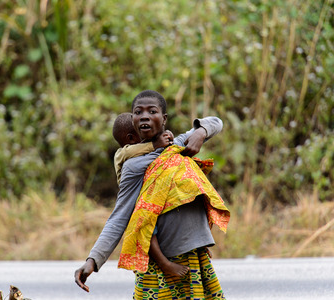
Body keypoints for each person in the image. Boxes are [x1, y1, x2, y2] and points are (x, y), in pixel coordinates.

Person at [75, 90, 229, 299]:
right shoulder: (133, 166)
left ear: (164, 119)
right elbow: (119, 217)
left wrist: (199, 134)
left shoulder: (178, 145)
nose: (145, 116)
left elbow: (216, 122)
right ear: (134, 123)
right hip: (161, 261)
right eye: (138, 112)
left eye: (152, 111)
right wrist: (92, 261)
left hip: (194, 251)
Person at [112, 112, 190, 277]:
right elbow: (135, 151)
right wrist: (155, 144)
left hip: (153, 195)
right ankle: (164, 263)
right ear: (132, 138)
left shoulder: (145, 152)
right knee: (150, 230)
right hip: (137, 200)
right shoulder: (123, 154)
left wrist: (168, 138)